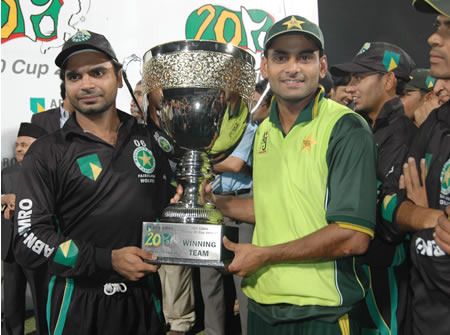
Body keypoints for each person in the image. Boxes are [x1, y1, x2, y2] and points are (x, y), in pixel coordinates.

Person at [184, 15, 377, 334]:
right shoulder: (264, 131)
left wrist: (265, 256)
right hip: (262, 305)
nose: (292, 67)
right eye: (280, 57)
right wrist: (213, 201)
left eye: (305, 57)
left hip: (322, 312)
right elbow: (273, 207)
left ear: (323, 65)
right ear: (264, 67)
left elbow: (353, 237)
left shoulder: (346, 128)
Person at [13, 30, 174, 335]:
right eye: (75, 77)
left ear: (118, 76)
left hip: (144, 297)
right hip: (78, 303)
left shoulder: (151, 138)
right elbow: (29, 240)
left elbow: (171, 203)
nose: (86, 84)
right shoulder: (47, 152)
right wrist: (106, 259)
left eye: (97, 72)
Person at [330, 41, 416, 335]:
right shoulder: (366, 128)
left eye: (360, 77)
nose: (351, 86)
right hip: (358, 266)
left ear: (389, 80)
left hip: (385, 271)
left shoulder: (402, 134)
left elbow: (392, 218)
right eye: (350, 78)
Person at [379, 1, 450, 334]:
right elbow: (390, 202)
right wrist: (430, 218)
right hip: (423, 317)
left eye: (448, 28)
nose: (433, 39)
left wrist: (418, 218)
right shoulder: (436, 122)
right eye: (437, 26)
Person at [2, 122, 49, 335]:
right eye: (17, 144)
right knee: (11, 302)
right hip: (10, 250)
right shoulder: (6, 172)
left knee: (41, 300)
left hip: (35, 246)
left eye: (25, 144)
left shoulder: (47, 172)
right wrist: (3, 198)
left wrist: (19, 201)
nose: (19, 148)